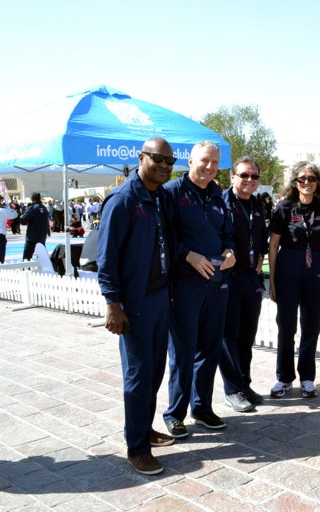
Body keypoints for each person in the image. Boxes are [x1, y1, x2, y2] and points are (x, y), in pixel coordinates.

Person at [97, 137, 177, 475]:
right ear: (141, 157)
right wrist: (112, 303)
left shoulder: (159, 197)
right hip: (135, 303)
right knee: (138, 376)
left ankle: (144, 429)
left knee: (155, 372)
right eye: (157, 158)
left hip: (160, 297)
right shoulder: (123, 199)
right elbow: (107, 256)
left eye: (169, 161)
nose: (163, 165)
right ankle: (137, 447)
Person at [162, 141, 242, 439]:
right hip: (184, 284)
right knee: (183, 351)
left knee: (209, 348)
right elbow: (163, 235)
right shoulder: (172, 192)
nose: (209, 167)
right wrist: (188, 255)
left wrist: (230, 250)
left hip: (217, 283)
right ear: (191, 160)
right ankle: (175, 413)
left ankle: (202, 407)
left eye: (215, 162)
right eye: (204, 161)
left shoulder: (218, 195)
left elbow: (227, 233)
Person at [268, 161, 320, 399]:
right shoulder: (284, 208)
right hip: (288, 267)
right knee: (287, 326)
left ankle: (307, 378)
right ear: (295, 182)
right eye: (302, 178)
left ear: (317, 182)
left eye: (311, 178)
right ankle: (284, 378)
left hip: (315, 267)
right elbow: (273, 246)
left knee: (311, 325)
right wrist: (272, 282)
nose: (306, 182)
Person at [222, 156, 269, 406]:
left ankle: (244, 384)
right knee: (229, 336)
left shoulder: (256, 204)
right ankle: (232, 390)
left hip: (251, 277)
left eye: (254, 176)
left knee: (246, 336)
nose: (249, 180)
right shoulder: (222, 202)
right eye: (244, 175)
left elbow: (260, 236)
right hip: (229, 278)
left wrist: (260, 256)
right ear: (233, 177)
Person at [20, 192, 50, 260]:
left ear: (32, 198)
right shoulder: (44, 208)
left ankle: (26, 268)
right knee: (42, 254)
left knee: (27, 255)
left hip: (32, 235)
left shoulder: (33, 208)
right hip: (42, 235)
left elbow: (23, 220)